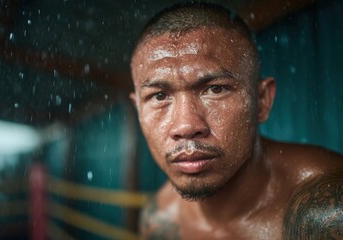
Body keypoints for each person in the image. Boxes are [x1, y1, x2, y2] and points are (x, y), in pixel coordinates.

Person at [129, 2, 343, 239]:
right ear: (138, 109)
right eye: (159, 96)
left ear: (262, 100)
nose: (186, 126)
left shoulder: (328, 212)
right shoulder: (159, 218)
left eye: (216, 89)